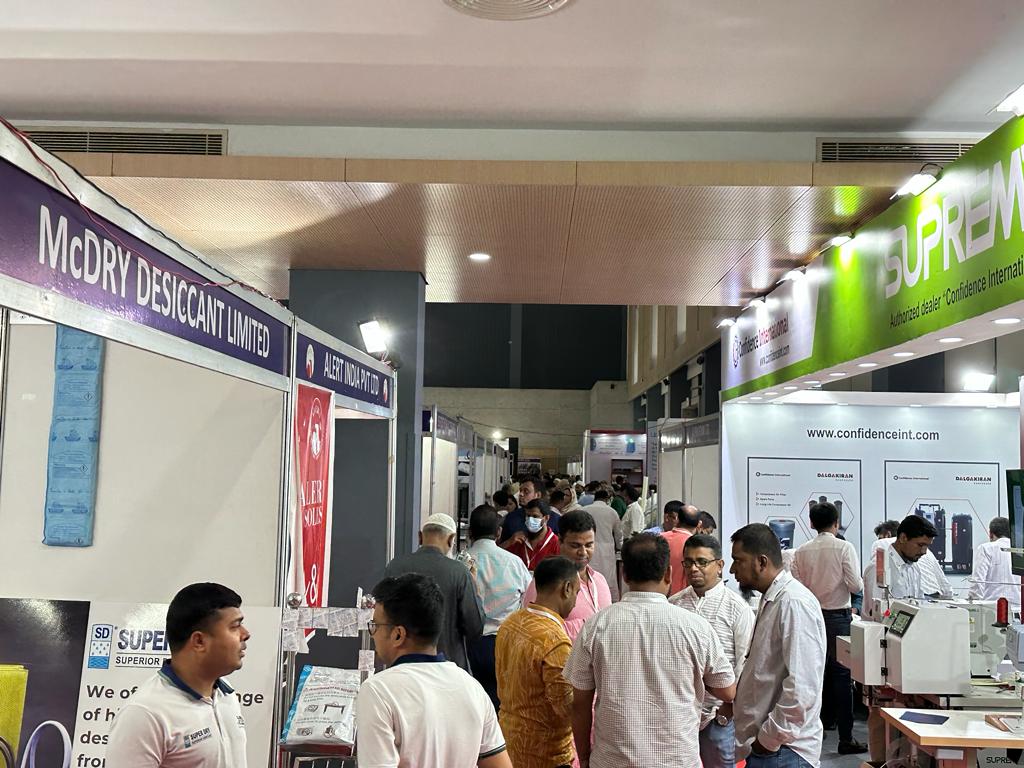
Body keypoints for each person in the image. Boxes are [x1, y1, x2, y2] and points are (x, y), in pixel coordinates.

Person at [563, 533, 736, 768]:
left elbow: (580, 703)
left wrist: (584, 756)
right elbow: (727, 690)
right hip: (677, 761)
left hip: (612, 761)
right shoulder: (696, 628)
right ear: (668, 574)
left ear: (624, 575)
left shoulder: (596, 626)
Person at [357, 574, 512, 768]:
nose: (373, 634)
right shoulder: (472, 688)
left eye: (375, 626)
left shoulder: (378, 691)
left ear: (398, 635)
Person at [106, 583, 251, 768]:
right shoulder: (145, 713)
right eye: (235, 626)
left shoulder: (226, 694)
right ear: (199, 641)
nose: (246, 634)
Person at [731, 523, 826, 768]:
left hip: (784, 751)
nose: (732, 569)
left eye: (738, 561)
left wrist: (769, 740)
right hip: (769, 748)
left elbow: (802, 686)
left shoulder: (794, 603)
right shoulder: (773, 598)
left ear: (761, 562)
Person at [671, 535, 754, 768]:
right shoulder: (674, 604)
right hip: (679, 714)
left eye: (702, 562)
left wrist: (728, 710)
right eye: (688, 562)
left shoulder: (737, 608)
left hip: (718, 716)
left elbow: (745, 664)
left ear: (719, 565)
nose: (693, 568)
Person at [790, 502, 866, 756]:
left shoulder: (801, 551)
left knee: (813, 675)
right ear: (836, 523)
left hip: (811, 616)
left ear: (811, 523)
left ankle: (814, 732)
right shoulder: (844, 547)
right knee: (843, 677)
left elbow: (797, 585)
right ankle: (846, 738)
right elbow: (855, 586)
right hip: (838, 618)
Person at [496, 556, 580, 768]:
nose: (575, 601)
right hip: (545, 754)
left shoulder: (509, 623)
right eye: (577, 593)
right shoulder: (554, 641)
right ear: (567, 589)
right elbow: (566, 709)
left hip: (507, 742)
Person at [383, 513, 484, 670]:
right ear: (451, 539)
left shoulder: (394, 567)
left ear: (420, 537)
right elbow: (475, 627)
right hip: (447, 668)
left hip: (402, 666)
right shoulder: (459, 572)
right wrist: (474, 585)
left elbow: (384, 619)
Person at [466, 504, 533, 711]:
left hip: (470, 644)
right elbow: (528, 601)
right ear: (499, 532)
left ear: (470, 533)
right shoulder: (515, 563)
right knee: (503, 705)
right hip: (506, 642)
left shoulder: (461, 562)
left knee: (473, 704)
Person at [523, 510, 613, 640]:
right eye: (575, 546)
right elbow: (534, 629)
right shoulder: (546, 582)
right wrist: (590, 626)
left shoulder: (600, 580)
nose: (583, 552)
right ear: (560, 541)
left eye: (589, 545)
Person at [862, 515, 953, 620]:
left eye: (927, 546)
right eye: (920, 545)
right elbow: (876, 615)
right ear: (903, 538)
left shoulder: (914, 568)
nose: (924, 552)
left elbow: (918, 605)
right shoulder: (879, 568)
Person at [969, 516, 1021, 610]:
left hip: (992, 609)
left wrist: (973, 605)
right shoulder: (1020, 551)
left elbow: (978, 581)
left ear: (991, 534)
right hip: (1019, 609)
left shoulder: (985, 549)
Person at [584, 488, 623, 601]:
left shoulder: (585, 510)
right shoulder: (612, 512)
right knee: (608, 579)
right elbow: (618, 534)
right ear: (607, 499)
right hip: (607, 549)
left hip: (588, 547)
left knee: (589, 576)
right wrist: (620, 547)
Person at [508, 499, 562, 571]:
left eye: (535, 516)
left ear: (546, 518)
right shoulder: (518, 539)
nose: (530, 520)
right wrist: (509, 542)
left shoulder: (556, 543)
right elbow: (498, 556)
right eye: (528, 516)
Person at [499, 476, 550, 547]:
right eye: (520, 491)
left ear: (538, 495)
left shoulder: (554, 519)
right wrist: (509, 541)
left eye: (526, 492)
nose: (521, 494)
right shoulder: (511, 518)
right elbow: (499, 548)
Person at [663, 503, 700, 595]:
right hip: (682, 597)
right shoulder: (695, 545)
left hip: (659, 596)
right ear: (699, 524)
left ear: (677, 519)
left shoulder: (658, 539)